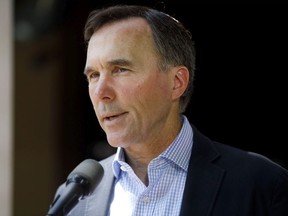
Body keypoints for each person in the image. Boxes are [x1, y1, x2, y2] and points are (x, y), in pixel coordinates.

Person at [52, 4, 288, 216]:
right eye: (93, 75)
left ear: (176, 82)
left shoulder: (262, 184)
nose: (101, 92)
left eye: (120, 69)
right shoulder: (74, 198)